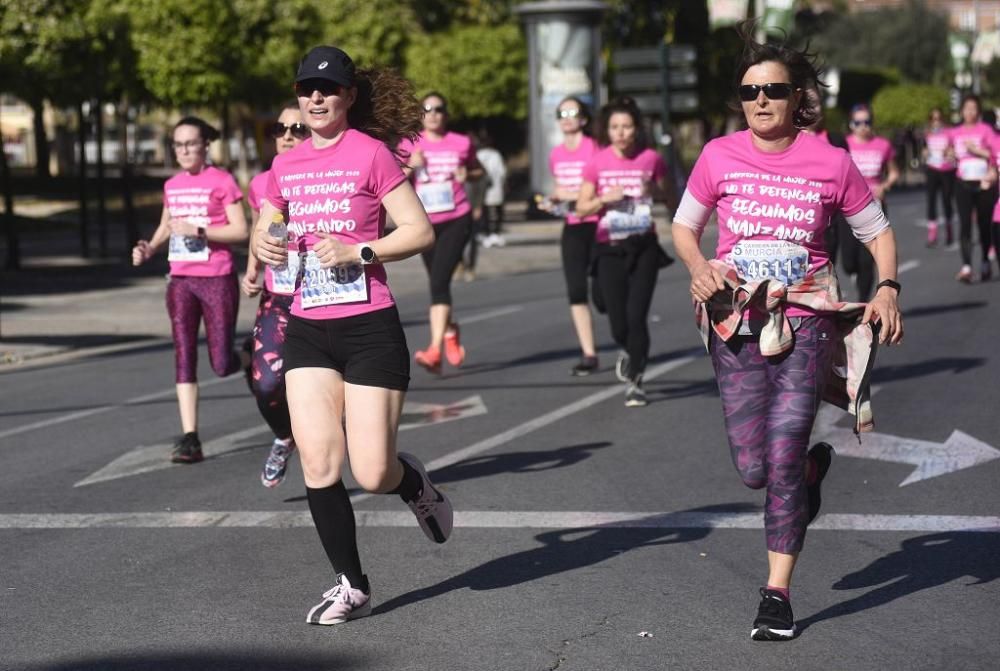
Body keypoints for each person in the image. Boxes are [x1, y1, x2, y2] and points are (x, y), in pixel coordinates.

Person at [671, 31, 903, 641]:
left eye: (774, 90)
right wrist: (700, 267)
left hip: (806, 322)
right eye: (750, 92)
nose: (761, 101)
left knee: (777, 455)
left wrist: (887, 288)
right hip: (735, 322)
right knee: (753, 467)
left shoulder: (831, 162)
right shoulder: (718, 155)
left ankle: (776, 593)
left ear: (797, 97)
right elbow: (684, 227)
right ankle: (806, 475)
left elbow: (876, 232)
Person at [252, 45, 453, 625]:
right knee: (318, 463)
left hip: (369, 328)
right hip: (309, 327)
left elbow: (419, 231)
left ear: (349, 96)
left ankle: (412, 482)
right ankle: (352, 585)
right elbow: (273, 218)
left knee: (372, 472)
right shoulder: (284, 166)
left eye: (329, 88)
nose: (316, 97)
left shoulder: (370, 156)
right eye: (306, 88)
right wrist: (268, 240)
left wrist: (357, 249)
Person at [132, 117, 249, 463]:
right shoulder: (172, 185)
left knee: (221, 363)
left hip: (217, 278)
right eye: (178, 145)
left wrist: (199, 229)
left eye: (190, 144)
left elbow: (241, 230)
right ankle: (190, 437)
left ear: (205, 145)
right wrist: (149, 248)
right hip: (181, 279)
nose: (184, 150)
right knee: (184, 355)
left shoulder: (223, 181)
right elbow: (167, 224)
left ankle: (250, 357)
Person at [576, 96, 678, 406]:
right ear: (607, 130)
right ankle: (626, 348)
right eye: (615, 127)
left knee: (636, 316)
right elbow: (581, 208)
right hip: (608, 246)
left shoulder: (651, 160)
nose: (621, 132)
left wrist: (654, 192)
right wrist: (605, 199)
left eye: (627, 126)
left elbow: (672, 199)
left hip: (643, 245)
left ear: (636, 129)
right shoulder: (597, 162)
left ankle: (636, 378)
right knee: (617, 319)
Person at [242, 104, 308, 487]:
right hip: (277, 294)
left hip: (323, 296)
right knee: (265, 381)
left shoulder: (328, 174)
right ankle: (284, 435)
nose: (286, 135)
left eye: (296, 128)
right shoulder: (260, 183)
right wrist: (251, 269)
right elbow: (259, 228)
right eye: (278, 128)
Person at [402, 93, 484, 374]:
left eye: (438, 109)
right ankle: (450, 330)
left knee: (439, 281)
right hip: (424, 223)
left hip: (456, 218)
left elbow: (478, 171)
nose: (433, 114)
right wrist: (410, 163)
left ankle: (434, 349)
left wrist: (467, 175)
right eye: (427, 110)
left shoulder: (461, 142)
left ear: (445, 114)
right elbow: (392, 177)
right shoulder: (409, 143)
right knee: (438, 283)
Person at [544, 96, 601, 375]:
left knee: (603, 293)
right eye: (561, 112)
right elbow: (561, 191)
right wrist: (554, 202)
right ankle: (589, 353)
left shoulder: (595, 148)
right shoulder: (555, 154)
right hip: (573, 225)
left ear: (584, 119)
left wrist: (566, 194)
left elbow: (601, 188)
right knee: (576, 291)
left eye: (572, 112)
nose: (566, 117)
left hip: (600, 225)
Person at [843, 104, 898, 301]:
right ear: (851, 124)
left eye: (867, 122)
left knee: (867, 259)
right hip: (847, 207)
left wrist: (885, 185)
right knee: (848, 261)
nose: (863, 126)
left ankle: (863, 302)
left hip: (874, 205)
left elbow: (893, 172)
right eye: (858, 122)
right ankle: (854, 273)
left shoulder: (883, 145)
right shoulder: (844, 145)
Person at [950, 94, 998, 283]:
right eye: (967, 108)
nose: (970, 112)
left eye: (973, 108)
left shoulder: (986, 130)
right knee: (965, 224)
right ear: (961, 111)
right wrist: (950, 154)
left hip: (984, 183)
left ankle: (985, 261)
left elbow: (995, 153)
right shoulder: (955, 133)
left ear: (978, 111)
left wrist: (977, 151)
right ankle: (967, 266)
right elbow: (951, 154)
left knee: (984, 224)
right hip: (963, 183)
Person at [922, 107, 956, 247]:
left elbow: (954, 150)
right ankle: (932, 234)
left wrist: (949, 153)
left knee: (947, 200)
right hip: (932, 169)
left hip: (946, 170)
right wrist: (924, 153)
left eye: (939, 119)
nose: (936, 122)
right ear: (930, 121)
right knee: (931, 200)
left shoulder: (949, 133)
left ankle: (949, 230)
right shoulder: (927, 134)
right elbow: (924, 150)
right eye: (934, 119)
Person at [477, 130, 507, 248]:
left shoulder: (478, 155)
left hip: (481, 190)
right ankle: (494, 233)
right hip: (495, 188)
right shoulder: (496, 155)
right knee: (496, 213)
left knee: (484, 213)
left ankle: (486, 234)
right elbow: (502, 172)